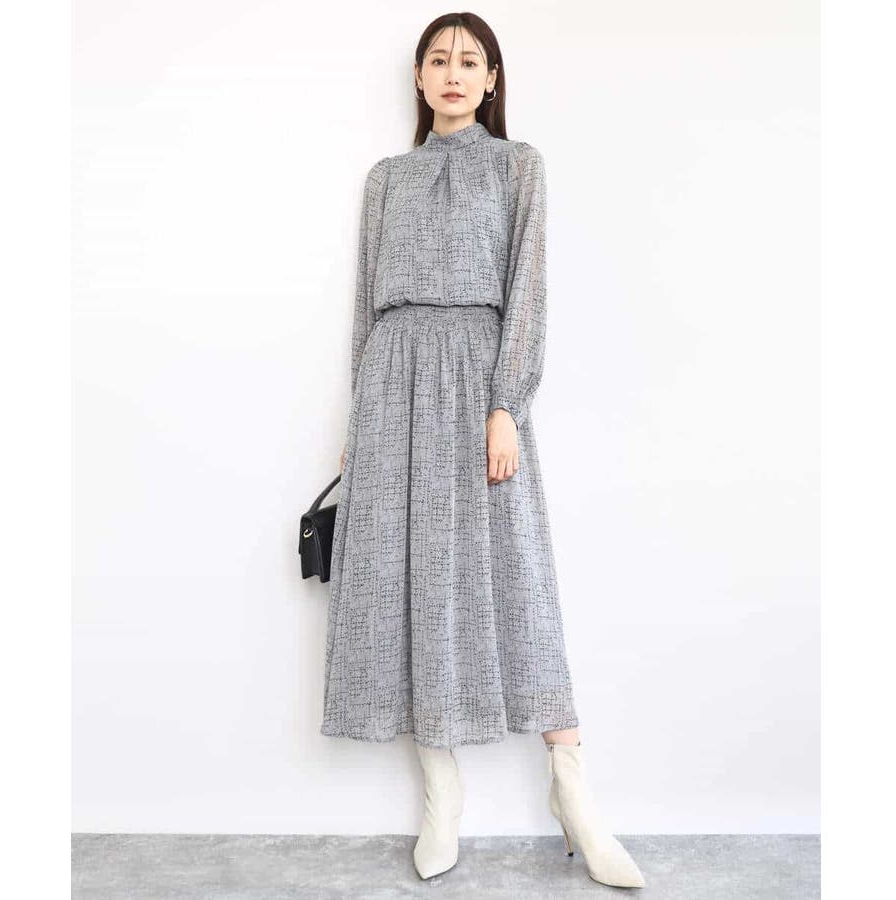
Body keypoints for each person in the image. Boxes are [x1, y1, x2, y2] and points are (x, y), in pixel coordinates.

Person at [321, 13, 645, 889]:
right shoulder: (386, 179)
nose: (454, 73)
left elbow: (527, 293)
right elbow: (364, 310)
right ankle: (442, 795)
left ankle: (573, 792)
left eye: (471, 61)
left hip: (478, 381)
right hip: (391, 387)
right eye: (439, 60)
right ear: (418, 78)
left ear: (493, 78)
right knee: (408, 578)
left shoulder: (517, 166)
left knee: (518, 575)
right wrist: (358, 421)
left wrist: (507, 404)